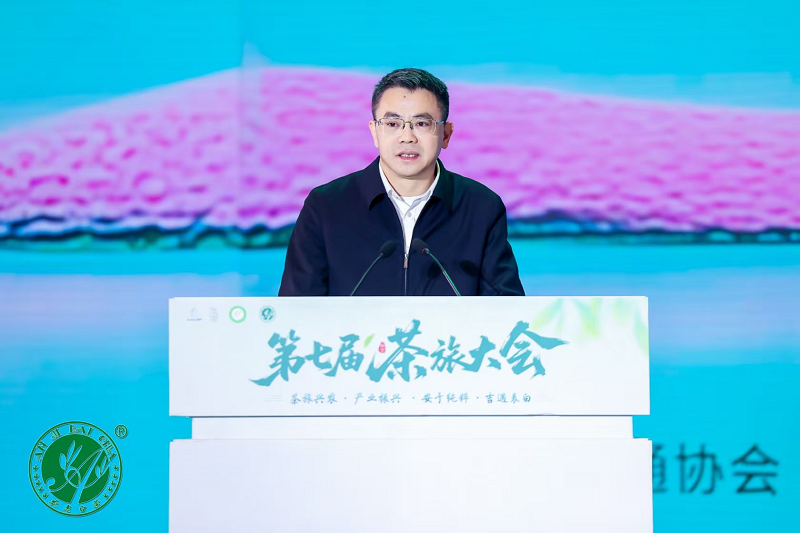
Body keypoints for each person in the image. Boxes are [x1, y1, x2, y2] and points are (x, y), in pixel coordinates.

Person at [279, 68, 524, 296]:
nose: (407, 137)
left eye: (422, 124)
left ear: (446, 134)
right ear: (375, 132)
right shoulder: (326, 207)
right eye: (392, 124)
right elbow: (295, 312)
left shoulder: (481, 207)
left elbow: (507, 312)